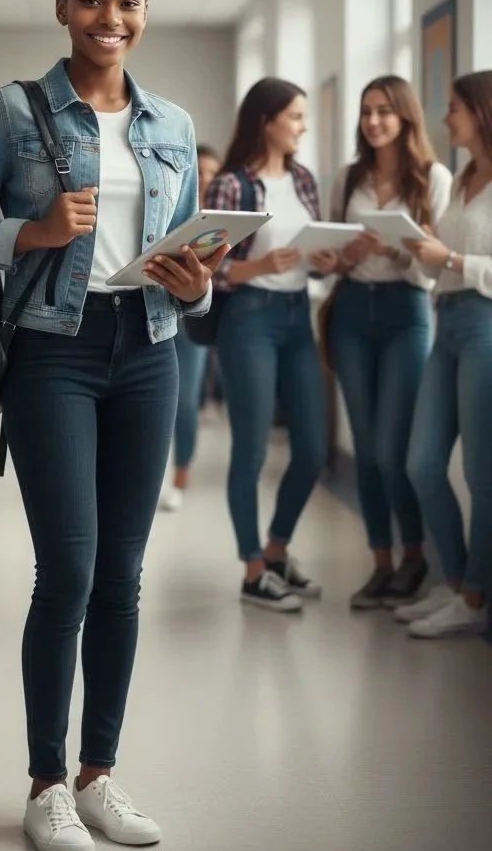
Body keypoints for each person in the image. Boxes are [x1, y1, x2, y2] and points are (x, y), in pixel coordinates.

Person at [0, 0, 228, 851]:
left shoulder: (171, 122)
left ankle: (100, 773)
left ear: (147, 7)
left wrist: (198, 281)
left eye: (129, 2)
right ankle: (45, 782)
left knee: (126, 577)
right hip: (52, 354)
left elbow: (178, 251)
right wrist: (35, 232)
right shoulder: (12, 111)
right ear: (63, 4)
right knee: (69, 573)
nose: (112, 18)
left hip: (148, 349)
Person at [310, 76, 452, 610]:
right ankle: (382, 564)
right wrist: (340, 256)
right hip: (351, 312)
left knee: (394, 451)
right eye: (367, 111)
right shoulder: (348, 178)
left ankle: (415, 558)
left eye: (384, 112)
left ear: (406, 117)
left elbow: (435, 270)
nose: (372, 121)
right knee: (366, 451)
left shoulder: (434, 178)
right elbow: (332, 259)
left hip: (407, 313)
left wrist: (396, 250)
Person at [204, 78, 327, 612]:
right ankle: (253, 569)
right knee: (251, 452)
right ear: (266, 121)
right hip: (250, 320)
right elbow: (204, 261)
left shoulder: (303, 180)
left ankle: (277, 550)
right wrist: (257, 266)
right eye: (296, 116)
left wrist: (325, 259)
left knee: (313, 450)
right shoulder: (232, 185)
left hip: (300, 317)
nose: (302, 125)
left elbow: (314, 243)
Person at [400, 70, 492, 639]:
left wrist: (451, 259)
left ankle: (475, 596)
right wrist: (420, 250)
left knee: (482, 475)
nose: (446, 117)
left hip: (485, 325)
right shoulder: (463, 180)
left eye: (454, 106)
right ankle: (458, 583)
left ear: (482, 112)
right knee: (423, 463)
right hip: (448, 320)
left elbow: (464, 262)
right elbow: (441, 260)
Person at [159, 143, 221, 512]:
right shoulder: (169, 204)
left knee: (186, 400)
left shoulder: (221, 217)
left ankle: (181, 474)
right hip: (159, 309)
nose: (208, 178)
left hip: (195, 314)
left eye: (214, 172)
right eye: (203, 171)